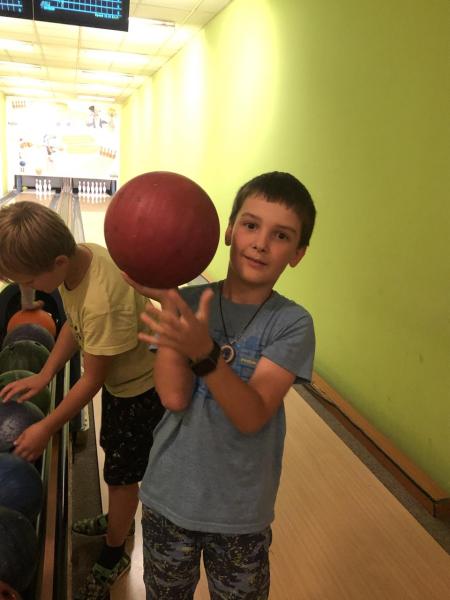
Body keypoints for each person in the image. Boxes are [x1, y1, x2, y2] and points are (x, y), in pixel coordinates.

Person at [126, 171, 317, 598]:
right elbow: (174, 396)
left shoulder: (292, 324)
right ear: (229, 231)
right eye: (251, 225)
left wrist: (205, 353)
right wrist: (170, 300)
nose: (261, 243)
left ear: (297, 253)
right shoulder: (187, 303)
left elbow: (252, 415)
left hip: (240, 516)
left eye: (281, 235)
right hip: (168, 499)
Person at [0, 201, 165, 600]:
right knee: (115, 462)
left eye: (30, 281)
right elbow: (74, 329)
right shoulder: (80, 258)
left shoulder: (101, 302)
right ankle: (117, 519)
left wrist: (46, 426)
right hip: (124, 382)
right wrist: (45, 374)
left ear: (57, 262)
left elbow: (92, 379)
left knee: (122, 475)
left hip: (143, 389)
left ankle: (115, 550)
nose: (31, 290)